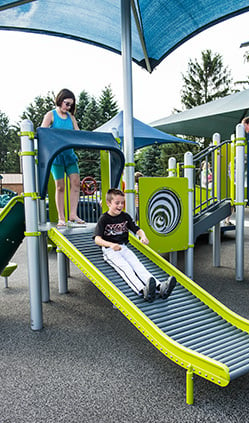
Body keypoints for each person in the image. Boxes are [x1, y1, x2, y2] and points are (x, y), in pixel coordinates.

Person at [94, 188, 176, 302]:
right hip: (110, 251)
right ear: (108, 203)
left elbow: (137, 229)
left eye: (122, 203)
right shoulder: (104, 219)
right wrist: (111, 245)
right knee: (126, 269)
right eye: (117, 203)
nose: (120, 205)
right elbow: (97, 239)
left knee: (138, 266)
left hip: (124, 247)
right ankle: (143, 290)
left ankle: (159, 287)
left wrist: (143, 236)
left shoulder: (125, 216)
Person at [41, 88, 85, 227]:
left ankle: (73, 214)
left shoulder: (71, 118)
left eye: (71, 105)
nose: (68, 107)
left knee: (76, 182)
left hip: (69, 155)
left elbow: (77, 134)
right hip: (57, 157)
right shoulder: (51, 115)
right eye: (66, 103)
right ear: (60, 101)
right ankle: (61, 217)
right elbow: (43, 133)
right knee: (60, 187)